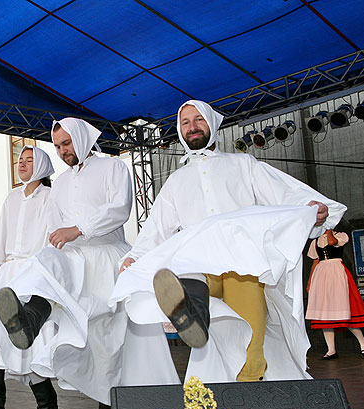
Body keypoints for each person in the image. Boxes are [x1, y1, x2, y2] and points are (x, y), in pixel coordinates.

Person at [114, 99, 345, 383]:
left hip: (241, 264)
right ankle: (191, 309)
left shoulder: (243, 164)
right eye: (185, 122)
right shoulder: (176, 181)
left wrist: (311, 210)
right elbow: (156, 229)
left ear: (211, 123)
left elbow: (281, 192)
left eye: (198, 120)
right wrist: (136, 257)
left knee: (250, 334)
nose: (192, 127)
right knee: (194, 295)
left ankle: (247, 393)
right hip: (199, 262)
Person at [0, 118, 179, 409]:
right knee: (46, 265)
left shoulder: (113, 168)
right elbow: (56, 227)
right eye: (59, 146)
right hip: (75, 260)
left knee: (106, 342)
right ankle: (31, 317)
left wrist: (78, 230)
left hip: (106, 258)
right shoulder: (61, 183)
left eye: (67, 143)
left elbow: (119, 209)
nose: (64, 151)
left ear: (81, 138)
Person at [0, 145, 63, 409]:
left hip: (34, 273)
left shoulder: (51, 197)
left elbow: (53, 240)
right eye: (19, 160)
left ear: (43, 165)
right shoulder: (11, 200)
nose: (21, 164)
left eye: (29, 160)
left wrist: (40, 273)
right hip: (8, 275)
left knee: (29, 346)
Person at [306, 229, 364, 359]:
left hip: (336, 271)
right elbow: (315, 261)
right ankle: (331, 350)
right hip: (321, 274)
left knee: (343, 309)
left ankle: (363, 344)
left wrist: (329, 230)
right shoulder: (315, 241)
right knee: (325, 312)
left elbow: (332, 242)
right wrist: (310, 281)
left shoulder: (340, 236)